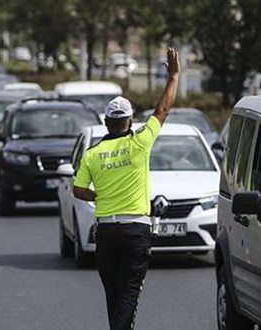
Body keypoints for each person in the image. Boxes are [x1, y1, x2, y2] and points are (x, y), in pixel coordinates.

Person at [72, 47, 180, 330]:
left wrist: (99, 195)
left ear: (106, 123)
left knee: (115, 296)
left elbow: (78, 190)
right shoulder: (140, 142)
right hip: (135, 231)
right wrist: (174, 76)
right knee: (128, 296)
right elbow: (163, 109)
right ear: (130, 121)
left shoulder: (93, 153)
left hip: (106, 232)